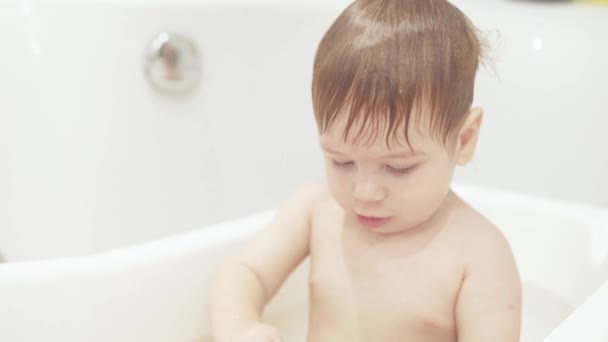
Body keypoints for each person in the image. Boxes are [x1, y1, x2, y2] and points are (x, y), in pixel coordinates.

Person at [209, 0, 522, 340]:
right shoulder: (316, 209)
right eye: (341, 162)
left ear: (464, 139)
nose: (364, 191)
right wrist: (240, 325)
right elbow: (245, 272)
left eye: (398, 168)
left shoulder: (478, 255)